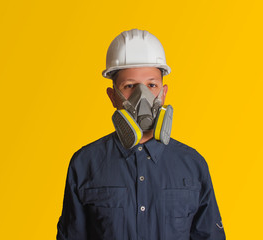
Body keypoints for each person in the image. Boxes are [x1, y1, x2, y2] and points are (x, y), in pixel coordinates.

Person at [57, 29, 225, 240]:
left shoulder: (192, 164)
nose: (142, 96)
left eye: (151, 85)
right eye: (129, 86)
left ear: (163, 93)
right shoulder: (85, 163)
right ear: (113, 96)